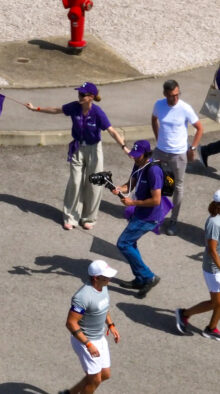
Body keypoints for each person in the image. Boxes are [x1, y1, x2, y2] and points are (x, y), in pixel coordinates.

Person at [25, 82, 129, 230]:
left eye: (82, 94)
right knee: (75, 182)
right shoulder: (74, 107)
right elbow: (56, 110)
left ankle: (89, 218)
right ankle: (70, 217)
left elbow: (112, 131)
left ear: (91, 97)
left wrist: (124, 147)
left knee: (94, 183)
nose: (79, 96)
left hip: (94, 149)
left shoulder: (97, 112)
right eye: (79, 93)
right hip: (78, 147)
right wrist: (36, 108)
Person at [111, 140, 164, 299]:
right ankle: (140, 279)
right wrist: (120, 189)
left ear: (146, 154)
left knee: (123, 243)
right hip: (140, 212)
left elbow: (156, 200)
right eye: (133, 155)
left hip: (149, 217)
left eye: (137, 155)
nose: (134, 158)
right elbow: (130, 185)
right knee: (130, 243)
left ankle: (148, 277)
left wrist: (132, 202)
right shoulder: (138, 164)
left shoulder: (154, 171)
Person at [151, 79, 203, 236]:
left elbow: (199, 128)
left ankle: (174, 219)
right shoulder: (159, 105)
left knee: (178, 186)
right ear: (165, 94)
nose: (175, 98)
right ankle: (155, 215)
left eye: (177, 94)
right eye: (172, 95)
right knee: (155, 183)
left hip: (179, 154)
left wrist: (192, 148)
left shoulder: (185, 108)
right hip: (160, 151)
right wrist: (157, 136)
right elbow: (153, 119)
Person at [60, 260, 120, 394]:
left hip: (99, 337)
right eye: (106, 276)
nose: (110, 278)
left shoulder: (103, 286)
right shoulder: (82, 297)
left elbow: (103, 308)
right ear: (96, 277)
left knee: (105, 375)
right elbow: (71, 323)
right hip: (85, 341)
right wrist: (88, 344)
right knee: (95, 380)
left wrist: (111, 324)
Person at [174, 189, 220, 340]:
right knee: (215, 302)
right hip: (213, 268)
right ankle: (184, 314)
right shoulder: (214, 223)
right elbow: (212, 250)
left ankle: (211, 328)